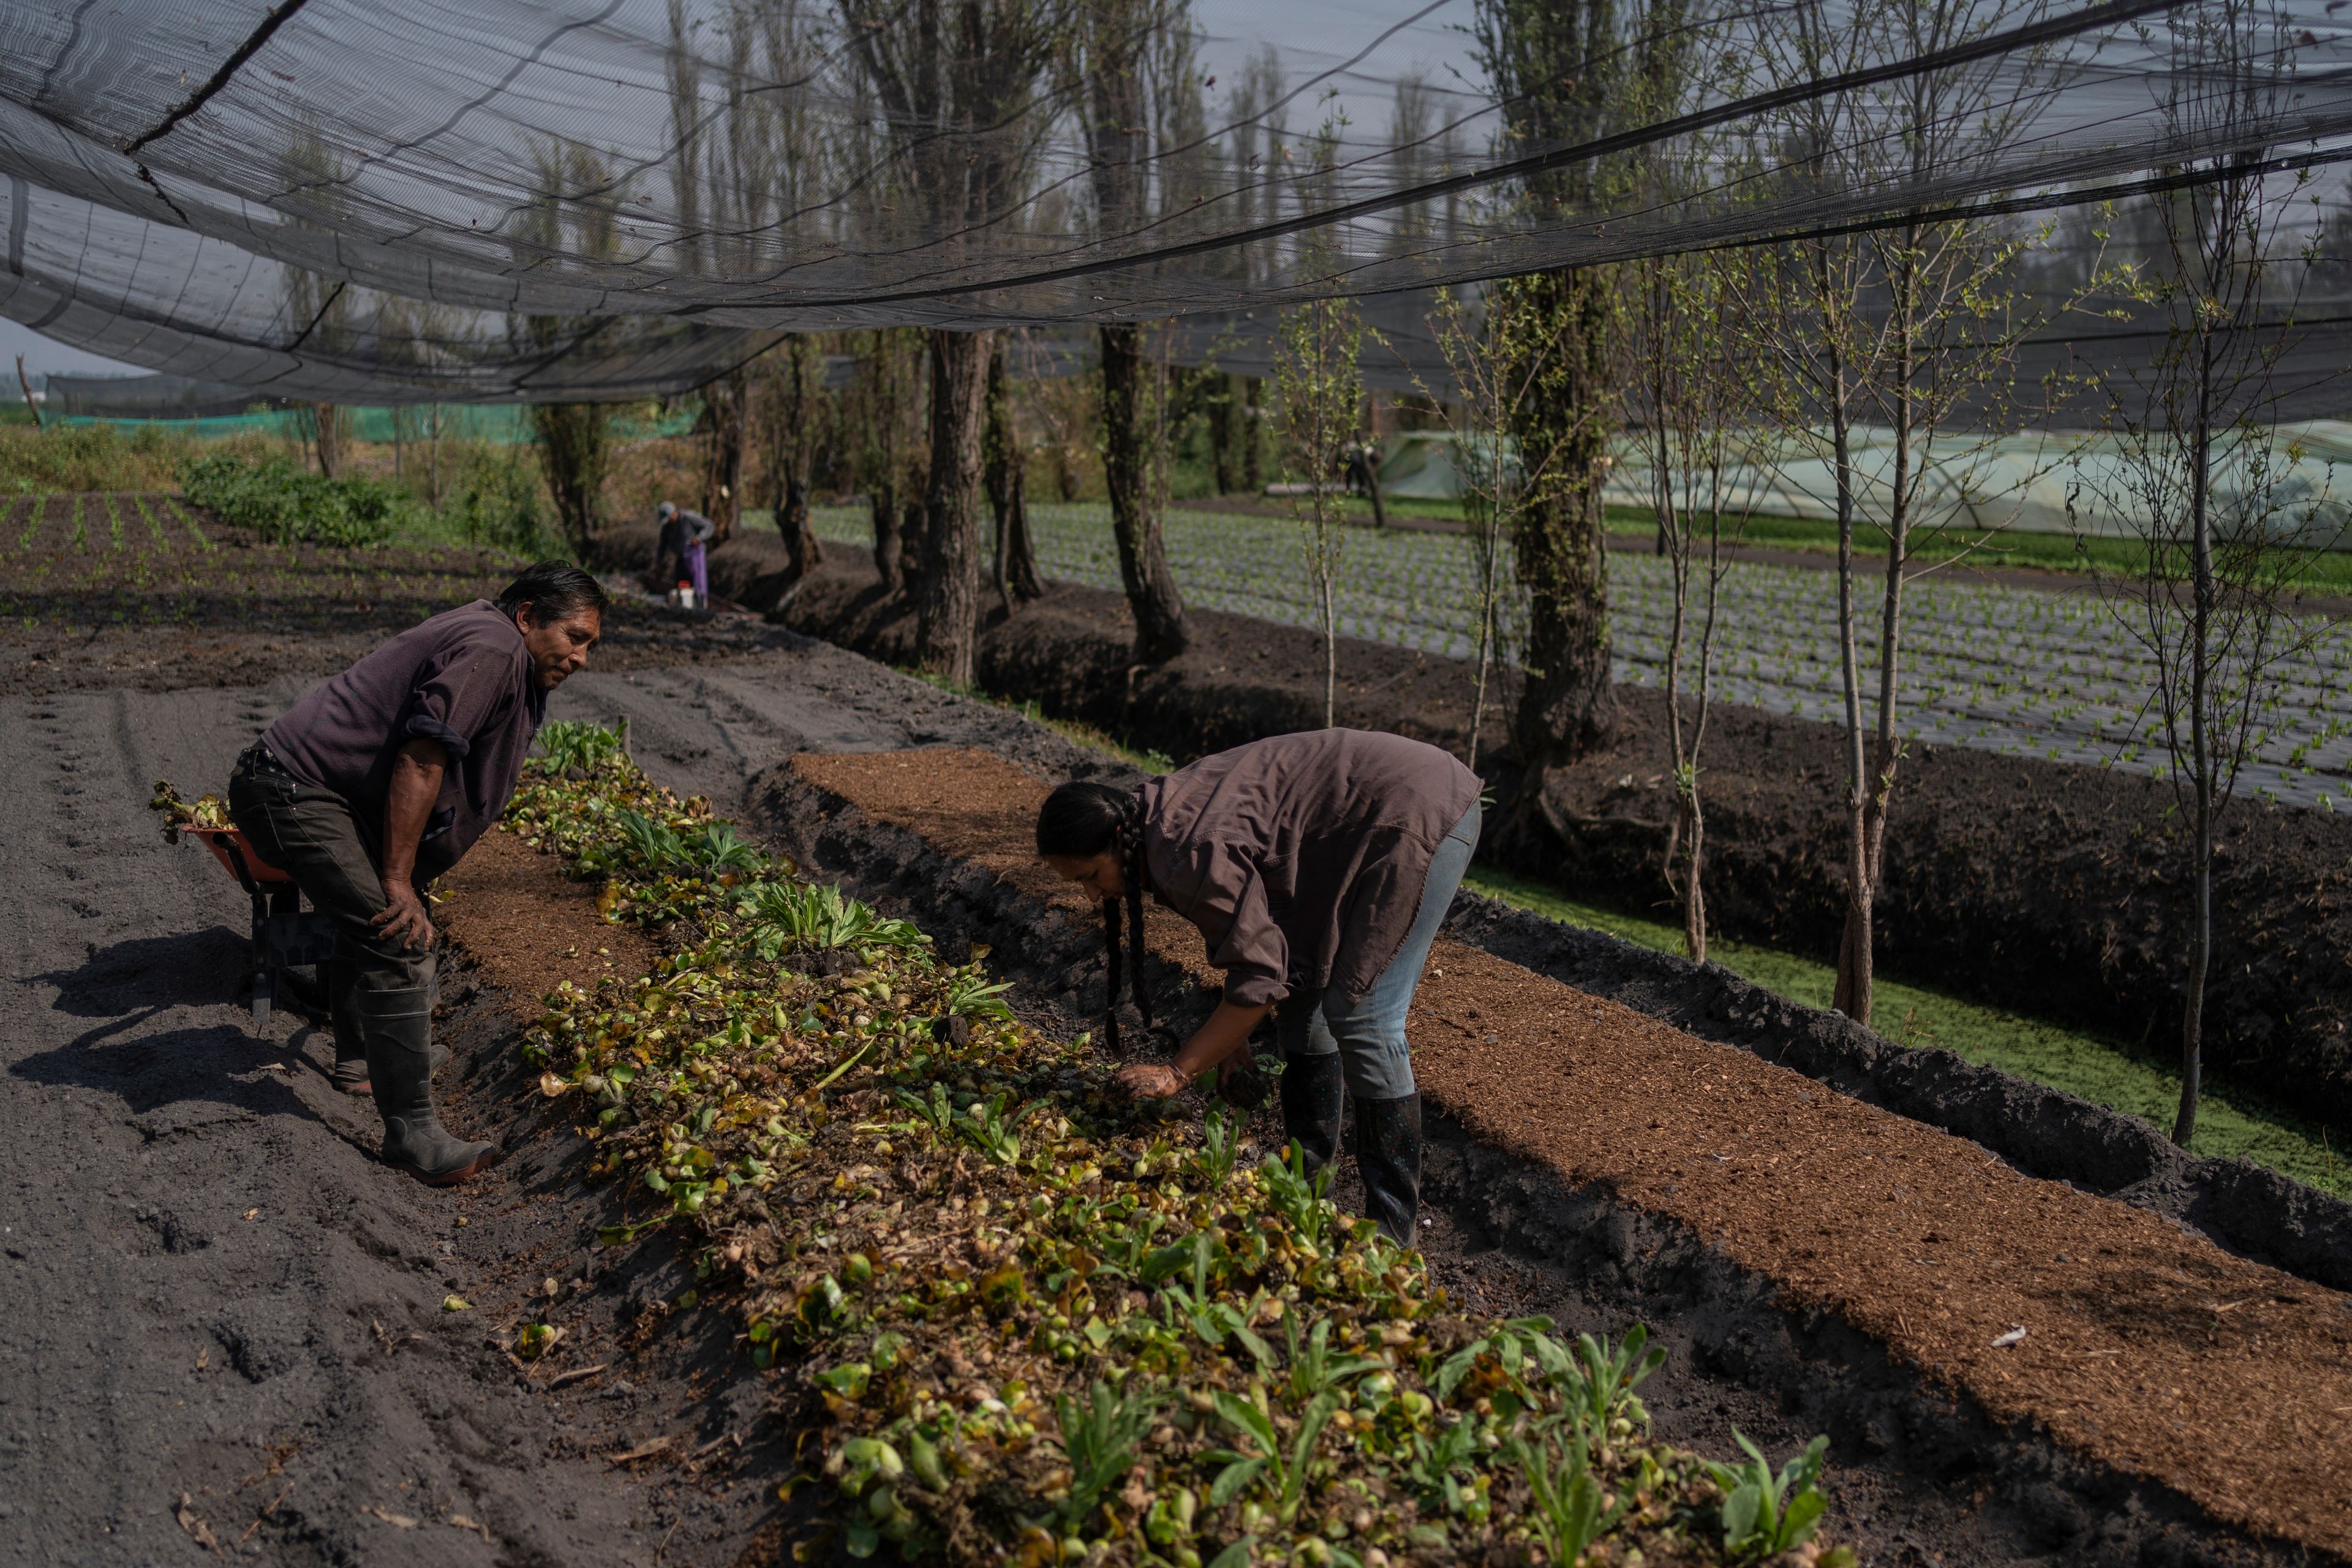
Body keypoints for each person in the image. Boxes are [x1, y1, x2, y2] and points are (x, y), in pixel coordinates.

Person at [227, 563, 606, 1185]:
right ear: (529, 617)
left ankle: (363, 1058)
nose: (583, 656)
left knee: (373, 920)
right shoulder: (492, 647)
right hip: (293, 791)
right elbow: (424, 754)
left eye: (591, 644)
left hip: (321, 792)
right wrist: (399, 881)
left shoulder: (499, 644)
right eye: (576, 636)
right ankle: (411, 1133)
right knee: (395, 931)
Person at [1036, 729, 1481, 1245]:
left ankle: (1392, 1233)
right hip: (1352, 826)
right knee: (1307, 1009)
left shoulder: (1185, 848)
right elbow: (1250, 944)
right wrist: (1233, 1045)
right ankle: (1303, 1192)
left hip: (1414, 811)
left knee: (1362, 1014)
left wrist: (1178, 1073)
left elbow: (1259, 978)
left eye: (1091, 876)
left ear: (1116, 839)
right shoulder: (1152, 825)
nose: (1092, 896)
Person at [653, 499, 715, 604]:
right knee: (680, 582)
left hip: (695, 554)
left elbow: (709, 525)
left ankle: (701, 604)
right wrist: (658, 563)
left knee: (698, 581)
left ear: (675, 513)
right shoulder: (667, 527)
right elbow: (662, 546)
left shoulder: (688, 517)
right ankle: (681, 606)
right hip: (681, 556)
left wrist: (699, 538)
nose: (668, 522)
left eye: (669, 518)